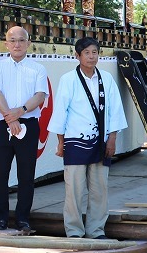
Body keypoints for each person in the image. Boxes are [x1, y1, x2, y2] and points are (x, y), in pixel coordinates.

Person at [48, 37, 128, 239]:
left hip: (101, 140)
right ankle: (74, 231)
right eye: (87, 53)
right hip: (75, 139)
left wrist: (112, 139)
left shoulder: (107, 79)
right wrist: (60, 141)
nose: (91, 57)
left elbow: (115, 110)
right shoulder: (69, 79)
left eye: (95, 52)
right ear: (78, 56)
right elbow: (60, 112)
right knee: (74, 189)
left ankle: (96, 230)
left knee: (99, 188)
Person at [0, 26, 49, 234]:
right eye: (12, 40)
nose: (17, 44)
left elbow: (40, 96)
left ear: (28, 43)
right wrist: (10, 117)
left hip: (29, 124)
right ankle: (1, 219)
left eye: (21, 40)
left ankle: (23, 219)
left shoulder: (38, 68)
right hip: (1, 126)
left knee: (26, 175)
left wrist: (20, 111)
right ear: (6, 43)